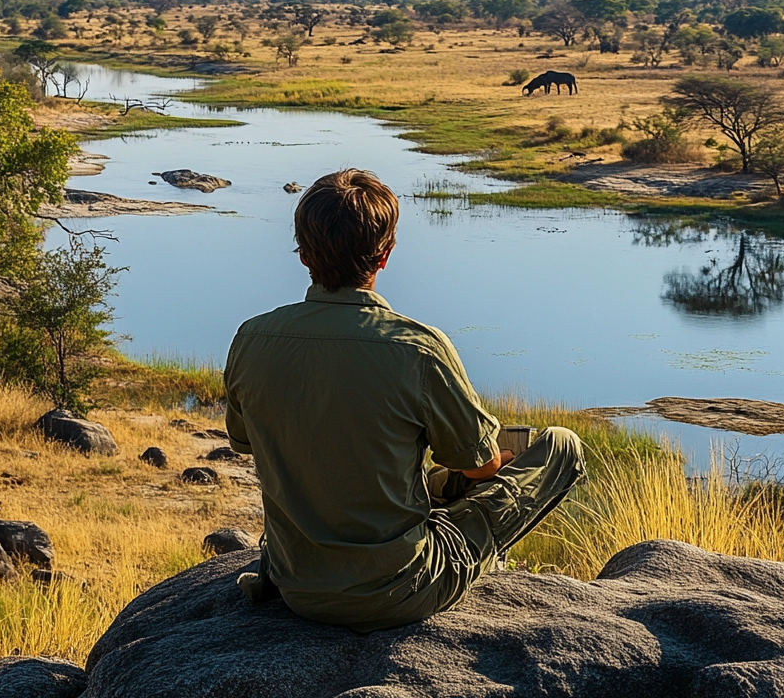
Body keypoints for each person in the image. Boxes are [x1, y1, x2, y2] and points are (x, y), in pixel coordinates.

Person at [225, 168, 584, 632]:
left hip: (296, 584)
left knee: (429, 481)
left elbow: (243, 442)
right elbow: (481, 467)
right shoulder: (417, 347)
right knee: (562, 446)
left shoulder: (252, 337)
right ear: (386, 254)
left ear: (303, 253)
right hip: (402, 588)